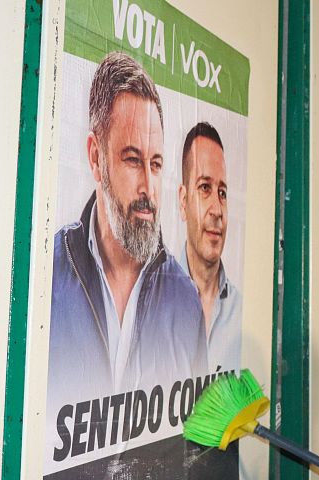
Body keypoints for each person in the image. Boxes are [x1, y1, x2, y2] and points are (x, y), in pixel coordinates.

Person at [48, 52, 207, 403]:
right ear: (96, 157)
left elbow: (195, 447)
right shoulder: (48, 278)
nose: (149, 187)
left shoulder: (185, 301)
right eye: (133, 160)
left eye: (156, 163)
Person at [178, 121, 242, 371]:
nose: (217, 209)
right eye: (205, 188)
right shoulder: (152, 307)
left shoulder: (242, 314)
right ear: (183, 202)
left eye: (222, 193)